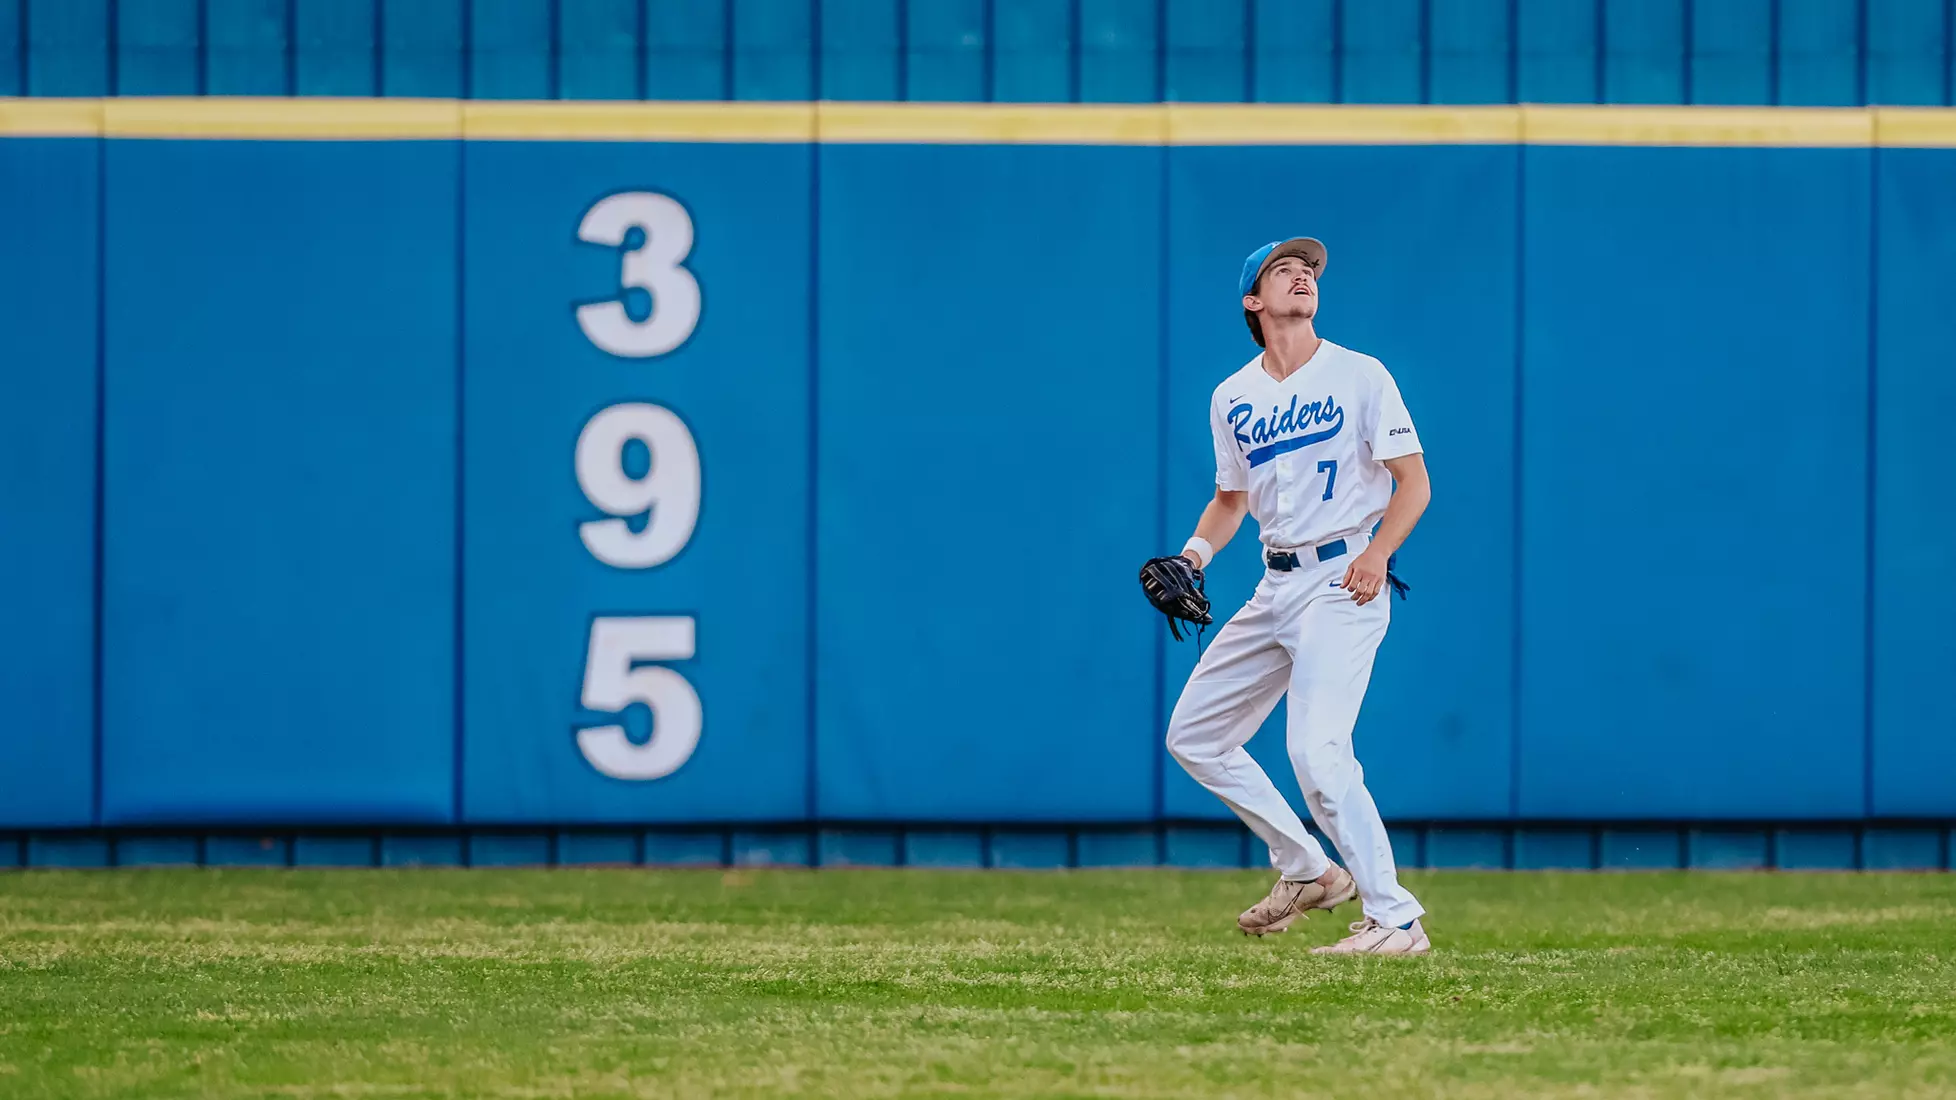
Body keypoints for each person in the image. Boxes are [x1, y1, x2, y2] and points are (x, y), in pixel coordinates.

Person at [1145, 237, 1433, 956]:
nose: (1303, 275)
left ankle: (1396, 920)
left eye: (1308, 270)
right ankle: (1307, 869)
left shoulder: (1360, 374)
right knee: (1195, 735)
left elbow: (1415, 483)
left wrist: (1377, 553)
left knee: (1317, 753)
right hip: (1274, 584)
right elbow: (1230, 500)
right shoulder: (1233, 396)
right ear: (1254, 300)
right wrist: (1193, 556)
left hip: (1344, 579)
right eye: (1284, 270)